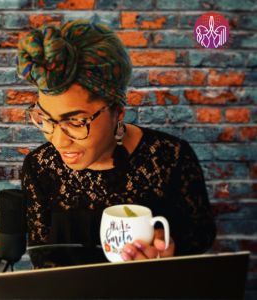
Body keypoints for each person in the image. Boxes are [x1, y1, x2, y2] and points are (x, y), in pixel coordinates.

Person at [16, 19, 216, 269]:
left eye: (76, 122)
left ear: (117, 112)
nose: (58, 141)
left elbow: (202, 234)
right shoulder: (39, 167)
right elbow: (41, 258)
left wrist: (171, 250)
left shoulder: (171, 157)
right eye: (46, 120)